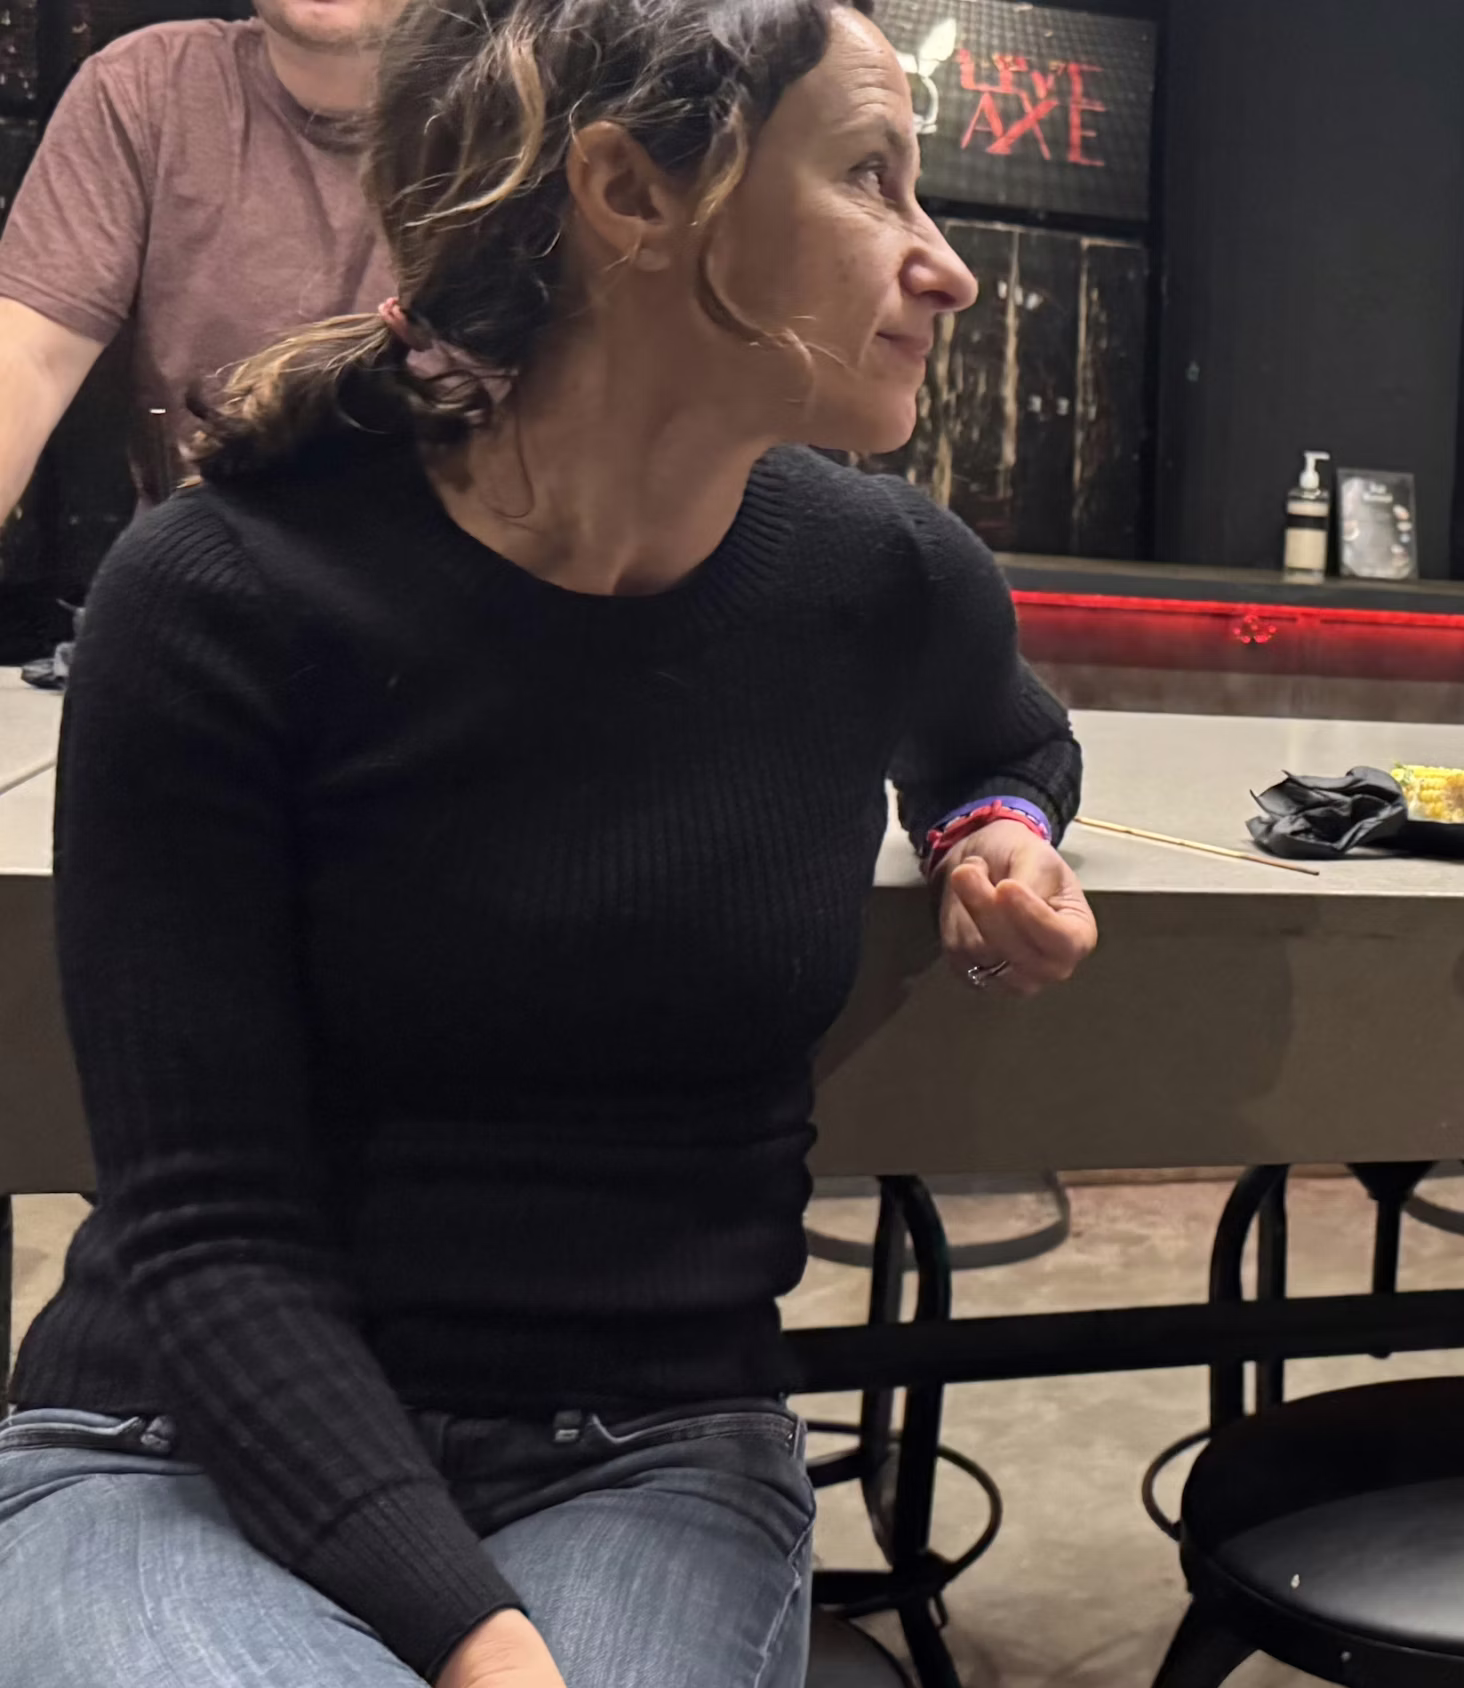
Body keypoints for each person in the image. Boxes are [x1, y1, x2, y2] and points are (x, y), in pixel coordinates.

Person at [0, 0, 1097, 1684]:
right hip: (186, 1432)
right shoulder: (223, 595)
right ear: (630, 192)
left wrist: (994, 833)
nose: (944, 268)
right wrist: (478, 1640)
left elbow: (1001, 734)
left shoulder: (881, 572)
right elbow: (209, 1233)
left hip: (642, 1443)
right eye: (872, 177)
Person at [0, 0, 400, 685]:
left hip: (457, 636)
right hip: (198, 625)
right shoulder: (147, 85)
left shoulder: (529, 111)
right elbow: (25, 361)